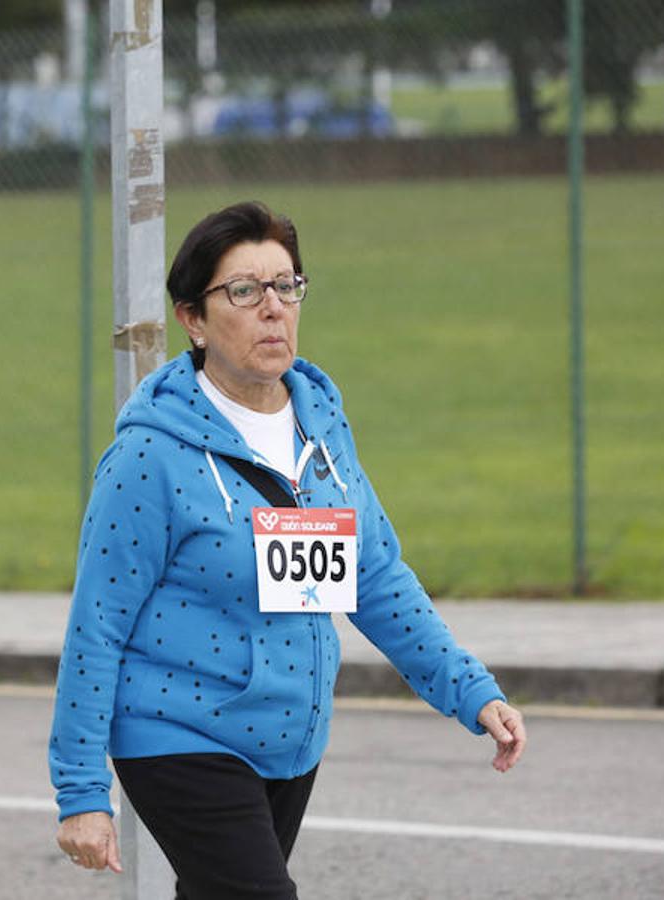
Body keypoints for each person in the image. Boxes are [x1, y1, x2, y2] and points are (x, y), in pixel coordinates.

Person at [48, 201, 526, 898]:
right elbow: (97, 624)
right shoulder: (148, 456)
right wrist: (83, 792)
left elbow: (375, 576)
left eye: (287, 285)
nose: (273, 307)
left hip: (289, 738)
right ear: (193, 319)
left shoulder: (323, 430)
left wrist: (471, 690)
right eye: (244, 291)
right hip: (178, 734)